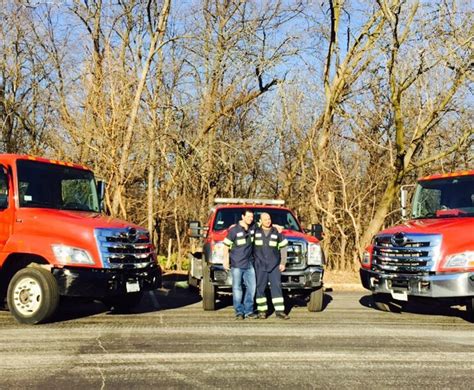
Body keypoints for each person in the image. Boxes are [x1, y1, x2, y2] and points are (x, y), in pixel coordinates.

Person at [253, 212, 289, 319]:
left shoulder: (277, 232)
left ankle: (280, 311)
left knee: (276, 288)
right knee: (260, 289)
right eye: (265, 219)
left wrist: (283, 262)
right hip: (259, 266)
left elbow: (283, 248)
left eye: (269, 219)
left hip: (274, 266)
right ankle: (262, 311)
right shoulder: (255, 231)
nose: (268, 221)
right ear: (260, 221)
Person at [223, 209, 257, 320]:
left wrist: (277, 226)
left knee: (252, 287)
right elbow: (226, 246)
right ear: (243, 217)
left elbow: (266, 224)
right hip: (237, 264)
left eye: (252, 217)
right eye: (248, 217)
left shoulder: (253, 227)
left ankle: (249, 311)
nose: (250, 219)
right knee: (237, 288)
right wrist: (225, 260)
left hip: (249, 264)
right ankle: (239, 312)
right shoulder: (234, 230)